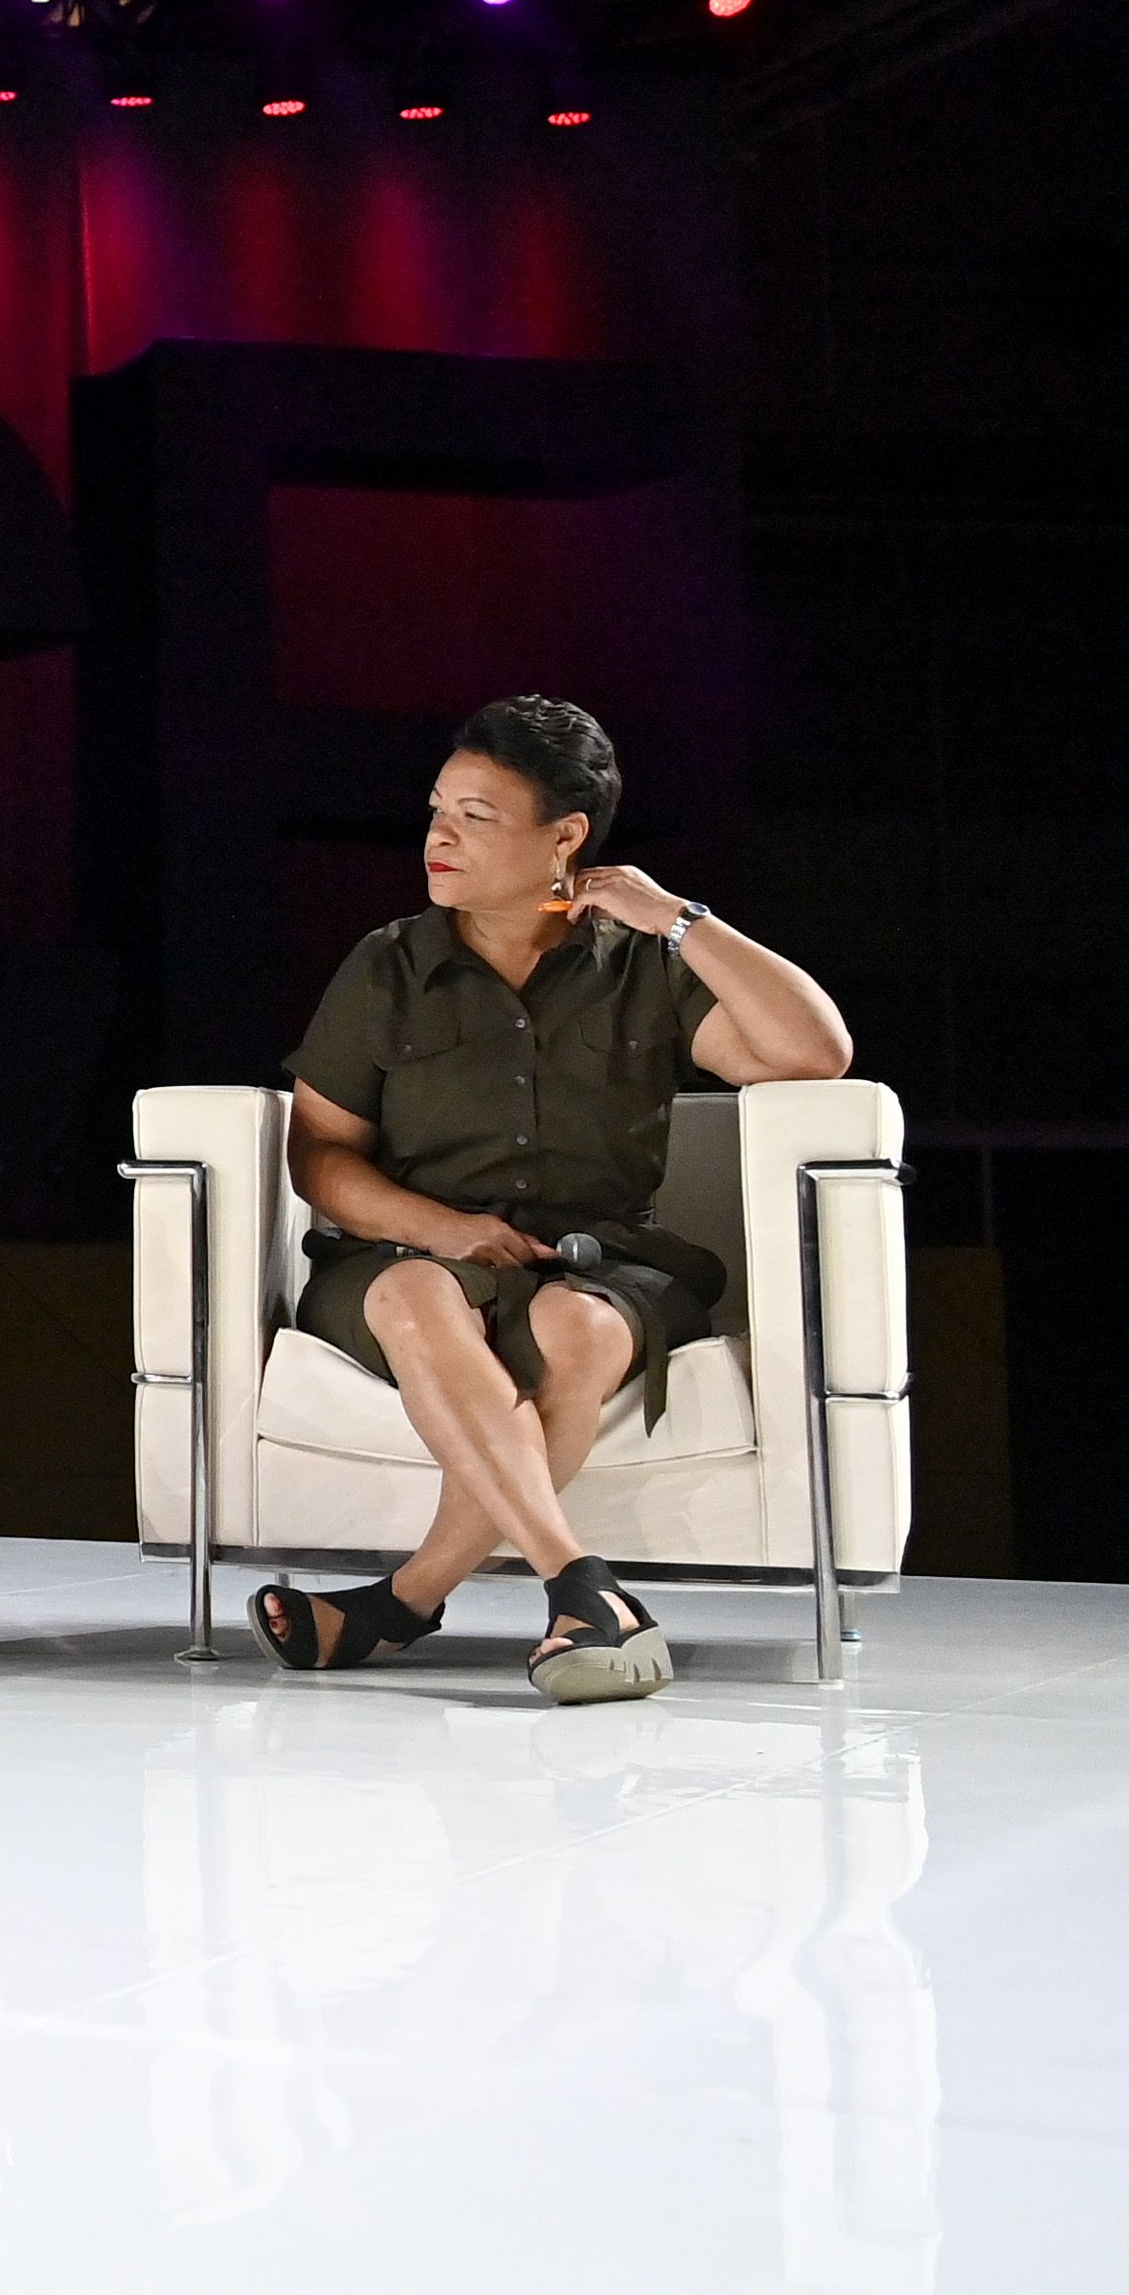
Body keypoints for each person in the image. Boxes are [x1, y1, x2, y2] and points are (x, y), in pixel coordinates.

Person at [252, 695, 854, 1704]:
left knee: (577, 1330)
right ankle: (576, 1582)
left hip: (600, 1263)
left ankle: (404, 1601)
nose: (439, 836)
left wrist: (678, 918)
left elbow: (812, 1053)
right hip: (409, 1254)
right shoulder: (386, 965)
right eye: (437, 810)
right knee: (414, 1296)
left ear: (565, 837)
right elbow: (319, 1157)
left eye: (476, 816)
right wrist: (438, 1228)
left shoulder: (643, 965)